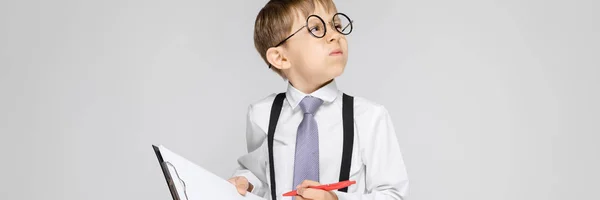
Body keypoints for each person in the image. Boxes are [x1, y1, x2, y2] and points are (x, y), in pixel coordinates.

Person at [228, 0, 409, 199]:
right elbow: (260, 174)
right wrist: (246, 182)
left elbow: (393, 195)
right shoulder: (262, 114)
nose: (335, 36)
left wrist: (336, 198)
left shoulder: (369, 117)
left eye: (337, 25)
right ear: (280, 58)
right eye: (316, 28)